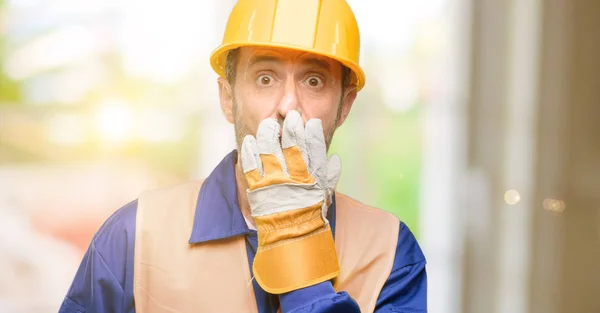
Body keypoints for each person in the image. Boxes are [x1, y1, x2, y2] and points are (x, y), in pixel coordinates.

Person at [59, 0, 427, 312]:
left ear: (344, 105)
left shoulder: (391, 253)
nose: (287, 105)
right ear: (227, 98)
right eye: (265, 78)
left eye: (313, 80)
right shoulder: (134, 237)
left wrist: (298, 248)